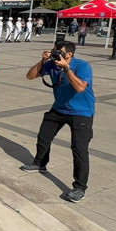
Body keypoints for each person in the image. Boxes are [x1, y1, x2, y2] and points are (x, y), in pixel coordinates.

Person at [22, 41, 95, 203]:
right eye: (55, 51)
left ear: (69, 55)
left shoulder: (82, 66)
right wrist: (42, 61)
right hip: (59, 108)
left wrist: (66, 68)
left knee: (79, 148)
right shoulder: (53, 64)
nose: (56, 55)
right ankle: (40, 163)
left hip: (81, 112)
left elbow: (81, 88)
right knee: (44, 136)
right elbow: (30, 76)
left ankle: (80, 187)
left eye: (59, 52)